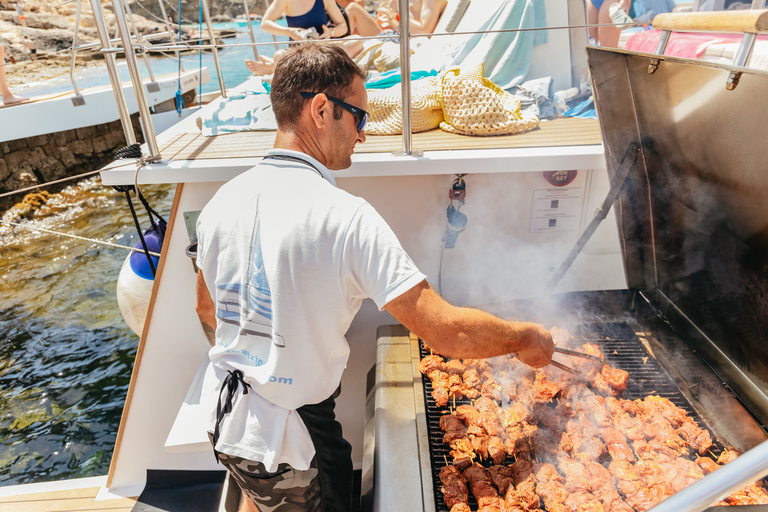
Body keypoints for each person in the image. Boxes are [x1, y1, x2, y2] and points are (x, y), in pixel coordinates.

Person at [195, 42, 554, 512]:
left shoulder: (223, 199)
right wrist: (525, 335)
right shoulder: (345, 217)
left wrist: (257, 364)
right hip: (293, 441)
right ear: (321, 110)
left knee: (260, 498)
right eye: (359, 117)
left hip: (224, 417)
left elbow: (206, 308)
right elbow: (447, 331)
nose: (363, 135)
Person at [245, 0, 381, 75]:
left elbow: (343, 26)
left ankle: (273, 68)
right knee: (279, 55)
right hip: (299, 53)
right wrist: (290, 32)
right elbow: (265, 24)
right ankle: (273, 66)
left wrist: (330, 33)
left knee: (356, 40)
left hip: (324, 49)